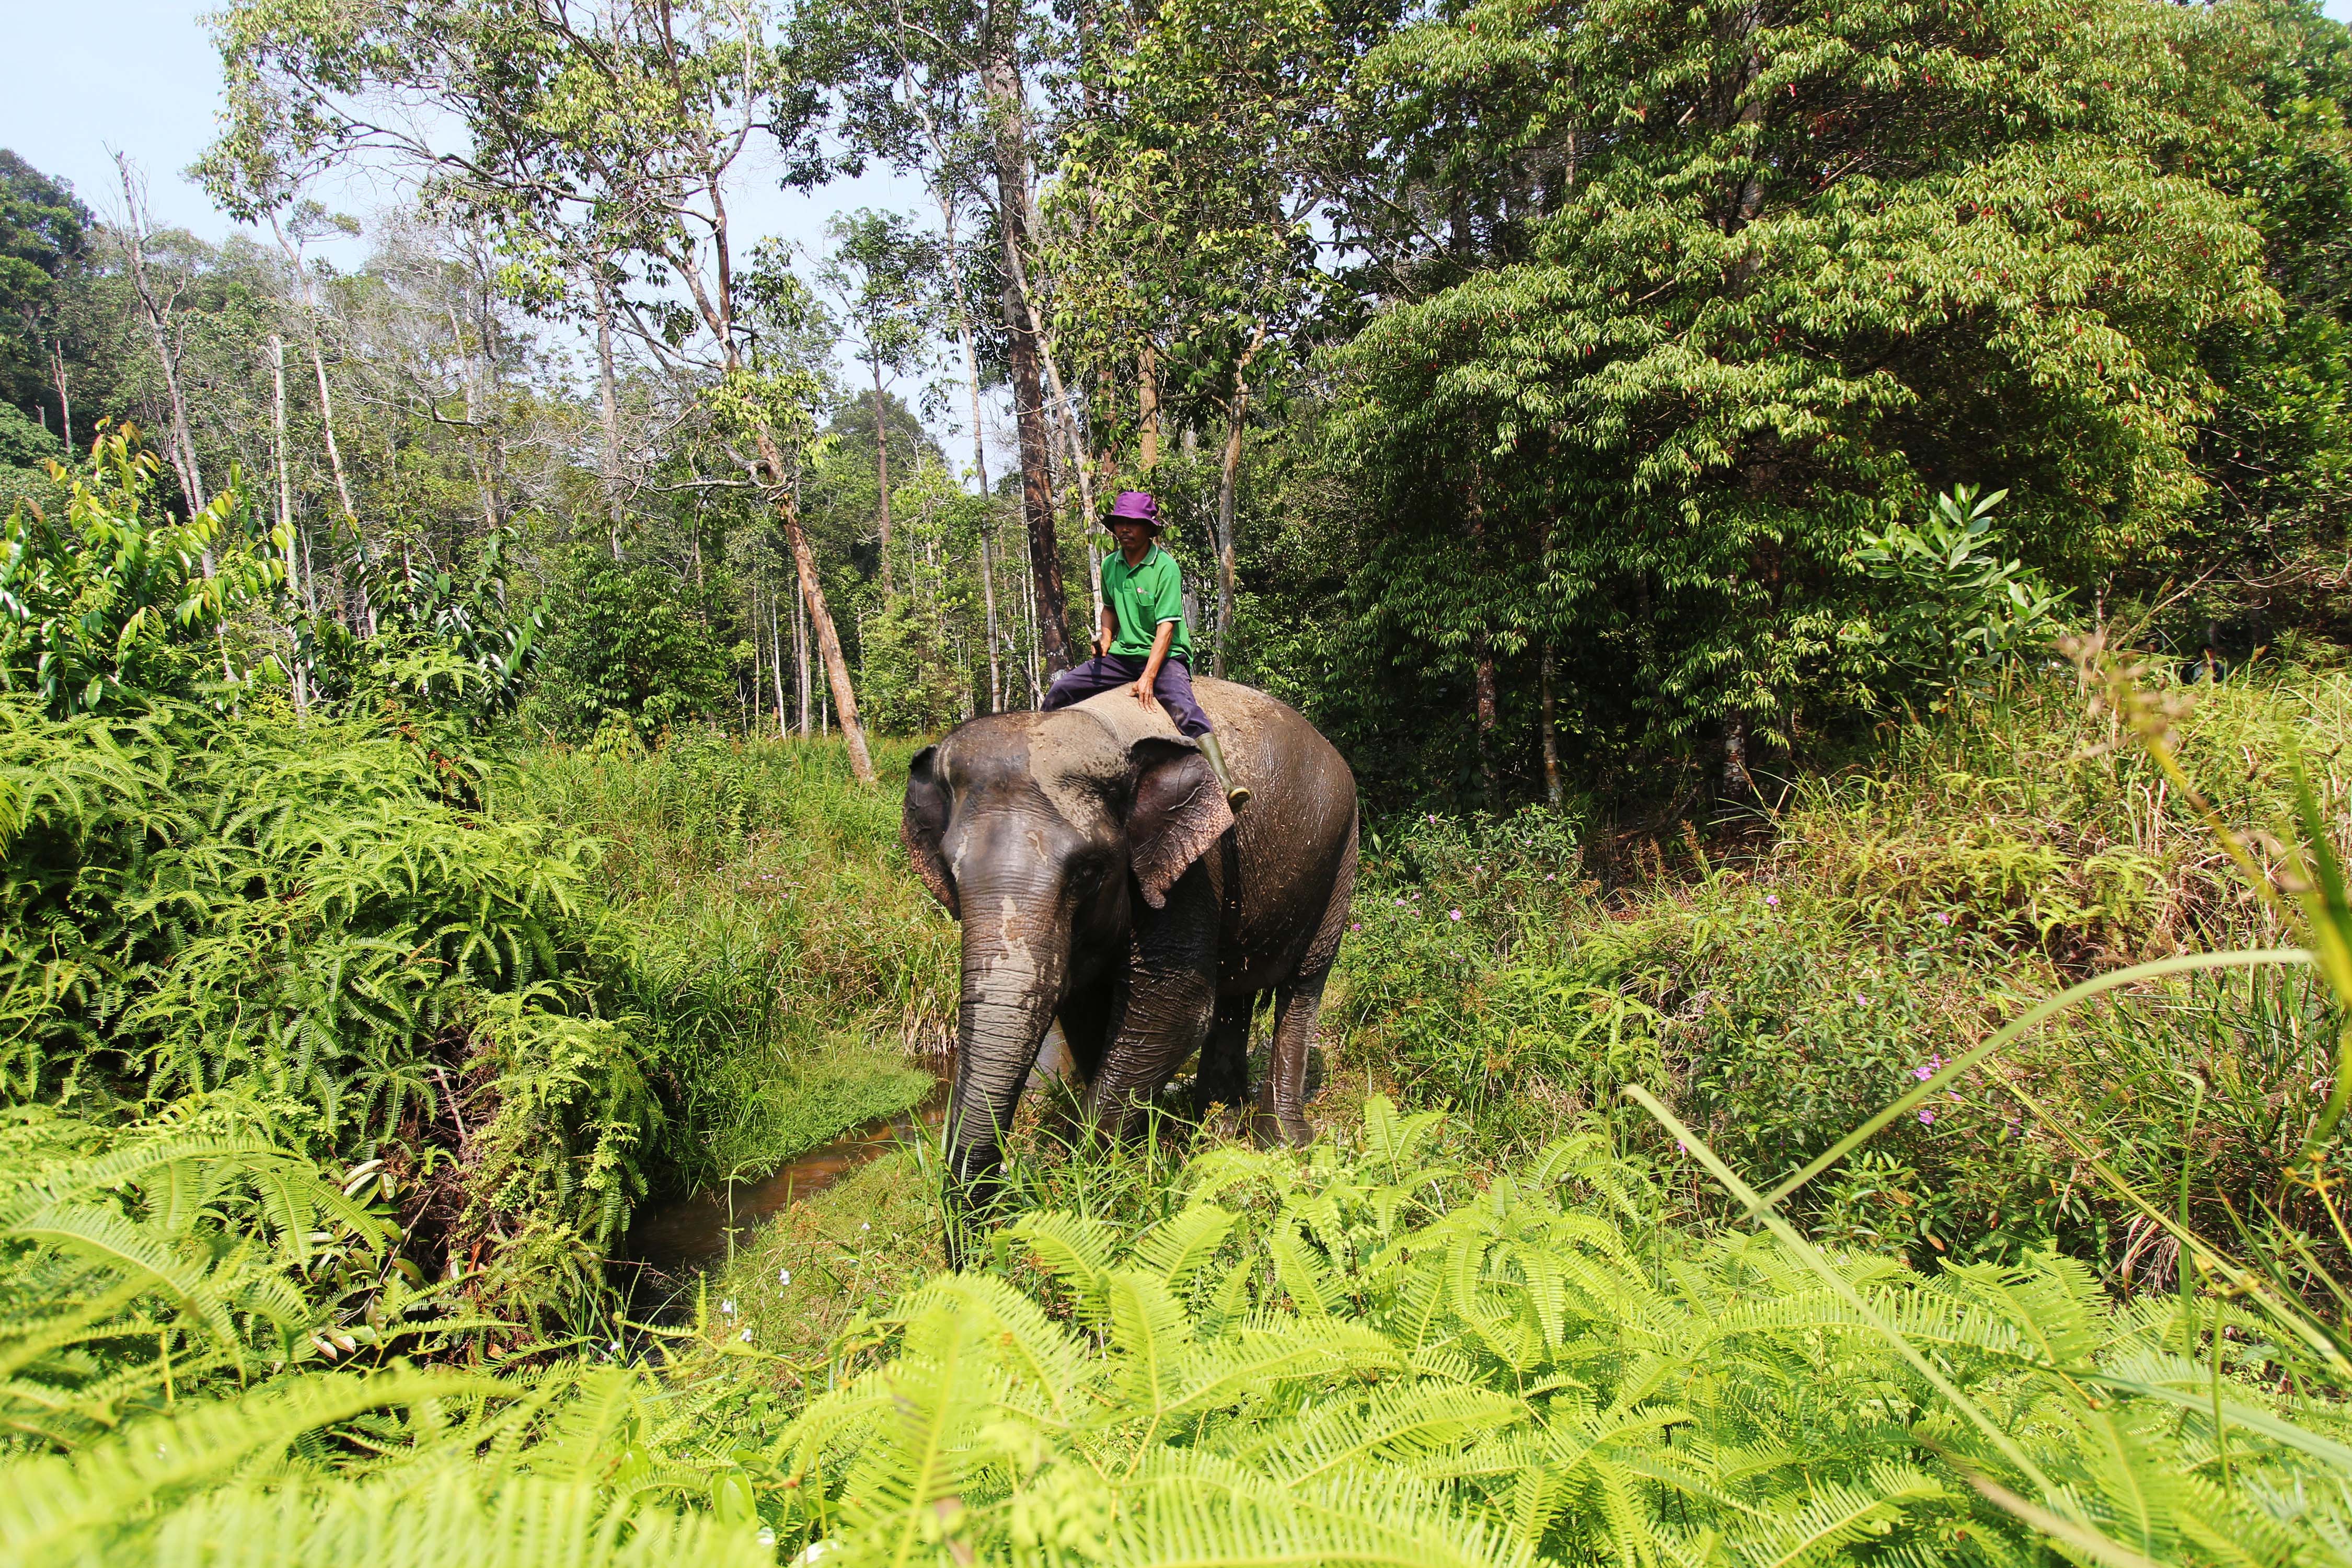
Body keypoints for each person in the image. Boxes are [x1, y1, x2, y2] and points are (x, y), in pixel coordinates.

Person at [1041, 489, 1249, 810]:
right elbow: (1109, 608)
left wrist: (1149, 676)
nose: (1124, 529)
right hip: (1123, 656)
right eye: (1120, 523)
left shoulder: (1166, 568)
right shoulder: (1111, 565)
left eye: (1133, 523)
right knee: (1062, 689)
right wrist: (1106, 638)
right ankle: (1044, 765)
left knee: (1183, 708)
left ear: (1149, 528)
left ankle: (1224, 782)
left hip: (1165, 657)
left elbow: (1166, 629)